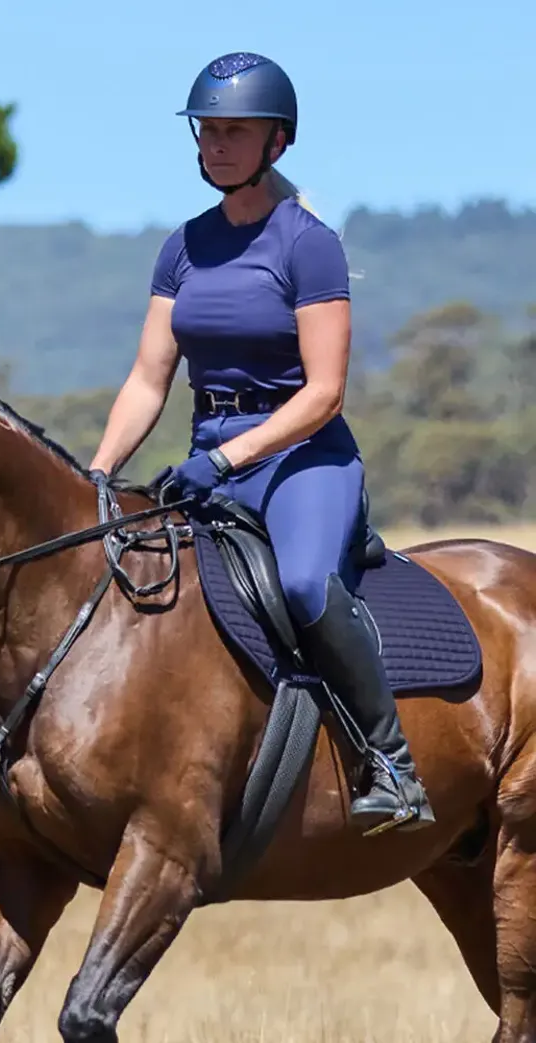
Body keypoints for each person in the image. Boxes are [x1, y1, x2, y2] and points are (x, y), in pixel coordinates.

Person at [88, 52, 434, 834]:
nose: (215, 144)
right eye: (206, 131)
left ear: (278, 140)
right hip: (206, 453)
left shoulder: (308, 244)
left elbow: (324, 392)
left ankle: (392, 763)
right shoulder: (182, 247)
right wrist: (101, 471)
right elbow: (149, 378)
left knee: (308, 585)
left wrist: (227, 459)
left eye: (233, 131)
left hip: (302, 457)